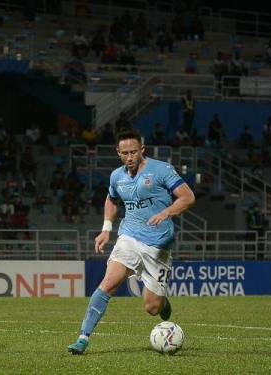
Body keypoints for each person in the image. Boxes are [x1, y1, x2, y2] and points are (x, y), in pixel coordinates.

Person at [67, 129, 195, 355]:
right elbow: (112, 199)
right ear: (118, 153)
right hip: (129, 237)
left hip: (159, 246)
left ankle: (163, 302)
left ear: (142, 150)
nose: (130, 157)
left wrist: (167, 212)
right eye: (124, 153)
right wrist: (106, 229)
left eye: (134, 152)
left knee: (152, 308)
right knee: (109, 282)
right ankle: (82, 338)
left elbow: (187, 197)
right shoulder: (117, 176)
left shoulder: (161, 169)